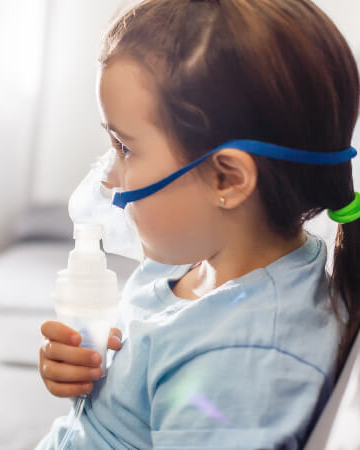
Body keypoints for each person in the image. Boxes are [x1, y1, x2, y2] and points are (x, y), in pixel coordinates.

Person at [36, 0, 360, 448]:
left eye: (125, 147)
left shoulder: (243, 363)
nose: (109, 177)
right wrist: (90, 379)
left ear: (227, 178)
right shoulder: (193, 259)